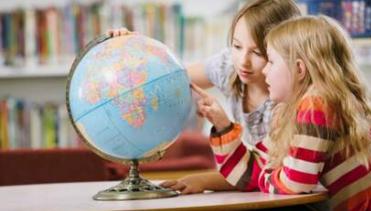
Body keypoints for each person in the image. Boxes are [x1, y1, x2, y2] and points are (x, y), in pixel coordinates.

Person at [108, 0, 301, 194]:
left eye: (258, 52)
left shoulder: (286, 102)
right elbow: (171, 77)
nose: (243, 61)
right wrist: (134, 48)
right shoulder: (228, 67)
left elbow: (262, 173)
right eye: (237, 46)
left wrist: (204, 179)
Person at [192, 15, 371, 211]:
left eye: (271, 61)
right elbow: (252, 172)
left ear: (299, 69)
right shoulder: (292, 111)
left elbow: (296, 183)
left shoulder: (317, 104)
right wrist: (222, 125)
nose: (265, 71)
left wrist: (268, 175)